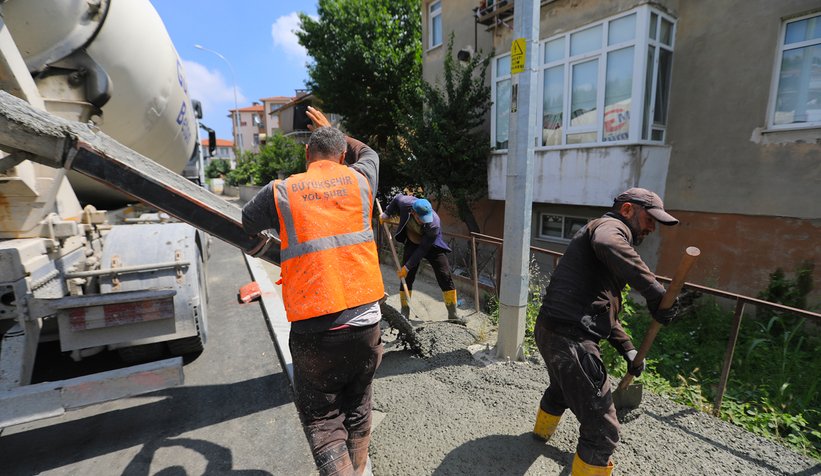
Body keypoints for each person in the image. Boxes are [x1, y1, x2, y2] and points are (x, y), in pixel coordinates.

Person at [242, 106, 383, 476]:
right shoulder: (361, 181)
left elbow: (247, 223)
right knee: (358, 407)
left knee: (323, 422)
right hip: (366, 323)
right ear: (343, 157)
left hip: (314, 329)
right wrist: (335, 129)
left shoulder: (281, 191)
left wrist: (280, 250)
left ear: (307, 154)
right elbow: (369, 153)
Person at [531, 187, 681, 475]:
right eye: (649, 219)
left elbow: (601, 307)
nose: (652, 228)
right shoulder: (610, 228)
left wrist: (628, 348)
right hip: (571, 338)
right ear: (627, 210)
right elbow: (608, 241)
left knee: (561, 389)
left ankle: (539, 435)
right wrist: (655, 292)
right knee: (603, 429)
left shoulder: (604, 249)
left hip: (551, 330)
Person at [380, 194, 460, 322]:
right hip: (412, 241)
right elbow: (396, 198)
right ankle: (405, 312)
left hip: (432, 245)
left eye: (426, 218)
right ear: (413, 212)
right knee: (407, 277)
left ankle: (453, 314)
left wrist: (407, 267)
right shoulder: (405, 203)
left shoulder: (434, 224)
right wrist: (386, 214)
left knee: (444, 275)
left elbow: (423, 249)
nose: (424, 221)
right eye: (421, 218)